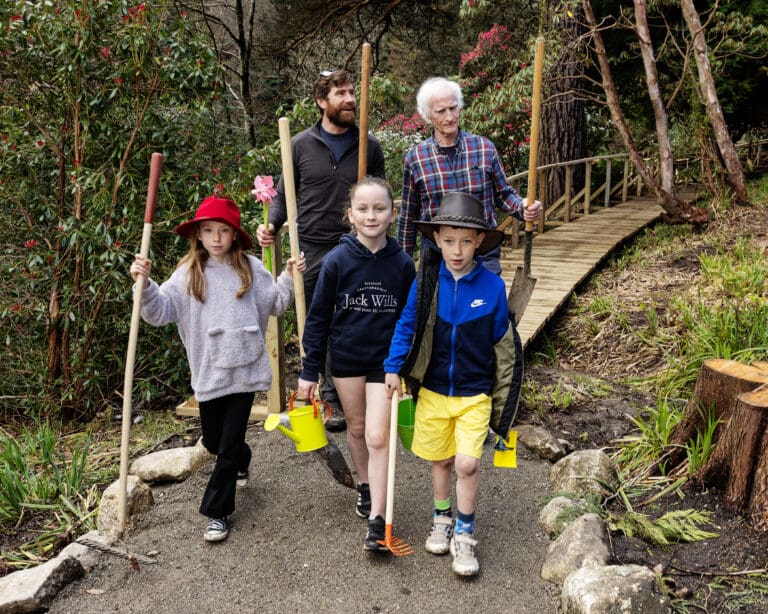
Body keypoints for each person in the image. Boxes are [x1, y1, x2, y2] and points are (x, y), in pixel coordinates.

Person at [130, 195, 304, 543]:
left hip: (245, 370)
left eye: (223, 230)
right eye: (208, 230)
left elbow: (276, 304)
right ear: (198, 234)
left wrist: (288, 276)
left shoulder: (250, 268)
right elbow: (159, 312)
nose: (216, 238)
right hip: (209, 372)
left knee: (225, 446)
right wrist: (145, 285)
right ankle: (242, 457)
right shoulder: (188, 273)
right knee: (214, 441)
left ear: (235, 234)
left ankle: (217, 512)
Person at [384, 192, 511, 576]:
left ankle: (465, 534)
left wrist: (506, 403)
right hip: (434, 390)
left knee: (467, 463)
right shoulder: (426, 282)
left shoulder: (493, 287)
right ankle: (441, 518)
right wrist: (393, 367)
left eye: (467, 241)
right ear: (437, 239)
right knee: (440, 460)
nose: (457, 250)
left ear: (479, 242)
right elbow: (407, 324)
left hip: (475, 394)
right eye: (450, 240)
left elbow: (503, 346)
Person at [257, 69, 387, 432]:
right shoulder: (300, 145)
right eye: (340, 93)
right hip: (311, 248)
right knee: (321, 320)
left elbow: (380, 196)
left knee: (357, 319)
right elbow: (284, 194)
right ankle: (330, 397)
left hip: (356, 247)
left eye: (351, 92)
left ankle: (359, 393)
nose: (350, 99)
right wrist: (271, 225)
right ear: (321, 102)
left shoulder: (369, 146)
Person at [297, 177, 415, 551]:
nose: (371, 215)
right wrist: (309, 370)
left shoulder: (402, 264)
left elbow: (411, 319)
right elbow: (318, 317)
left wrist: (409, 366)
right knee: (358, 426)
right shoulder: (337, 260)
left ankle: (378, 520)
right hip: (346, 356)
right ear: (350, 215)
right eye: (363, 209)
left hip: (386, 362)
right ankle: (364, 482)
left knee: (378, 436)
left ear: (392, 214)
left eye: (380, 208)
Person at [398, 76, 543, 274]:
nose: (450, 117)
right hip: (437, 255)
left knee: (488, 295)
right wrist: (403, 266)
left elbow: (503, 194)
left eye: (453, 108)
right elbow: (408, 216)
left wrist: (523, 207)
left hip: (482, 250)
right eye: (441, 111)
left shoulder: (484, 148)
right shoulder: (416, 158)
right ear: (427, 115)